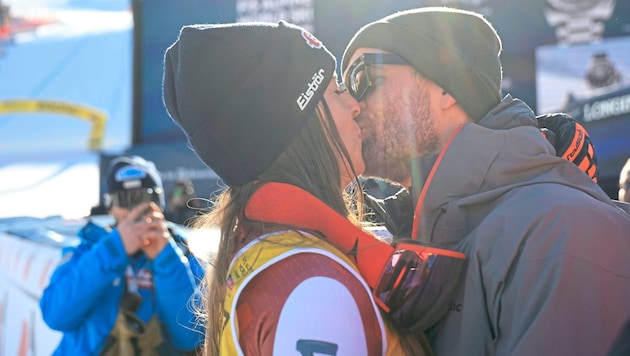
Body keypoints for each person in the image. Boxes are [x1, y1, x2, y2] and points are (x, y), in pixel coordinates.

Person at [162, 21, 470, 355]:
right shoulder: (313, 291)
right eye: (337, 90)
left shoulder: (277, 252)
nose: (356, 104)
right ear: (304, 125)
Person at [340, 7, 630, 355]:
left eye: (362, 77)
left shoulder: (564, 231)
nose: (352, 104)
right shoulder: (409, 235)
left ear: (445, 85)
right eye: (343, 88)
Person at [40, 155, 205, 355]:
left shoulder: (183, 256)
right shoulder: (88, 249)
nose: (133, 209)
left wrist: (165, 259)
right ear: (110, 206)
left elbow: (192, 338)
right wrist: (114, 250)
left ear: (159, 204)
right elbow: (55, 315)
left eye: (144, 196)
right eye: (123, 199)